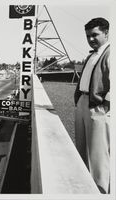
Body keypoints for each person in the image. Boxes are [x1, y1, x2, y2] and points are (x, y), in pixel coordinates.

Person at [74, 17, 110, 194]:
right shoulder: (92, 55)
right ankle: (82, 189)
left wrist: (106, 105)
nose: (91, 39)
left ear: (106, 33)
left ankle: (100, 192)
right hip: (82, 102)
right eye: (88, 36)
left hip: (97, 107)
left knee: (97, 155)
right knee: (80, 149)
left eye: (95, 35)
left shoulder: (110, 53)